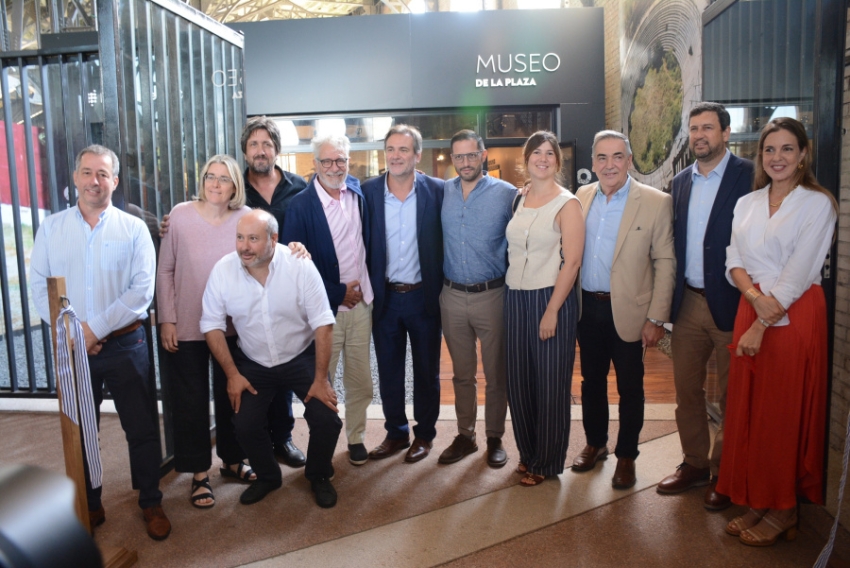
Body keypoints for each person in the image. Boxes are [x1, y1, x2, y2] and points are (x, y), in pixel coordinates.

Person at [29, 144, 171, 540]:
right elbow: (40, 287)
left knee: (141, 428)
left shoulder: (133, 228)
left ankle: (151, 501)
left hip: (127, 345)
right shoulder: (52, 229)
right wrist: (76, 334)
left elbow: (142, 291)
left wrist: (93, 331)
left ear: (115, 181)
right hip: (73, 348)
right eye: (88, 172)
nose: (95, 181)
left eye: (103, 174)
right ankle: (89, 505)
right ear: (75, 178)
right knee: (79, 429)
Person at [718, 117, 837, 546]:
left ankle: (784, 508)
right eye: (770, 150)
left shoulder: (817, 204)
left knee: (781, 415)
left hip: (794, 315)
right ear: (760, 156)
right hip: (752, 307)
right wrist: (753, 298)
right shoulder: (748, 203)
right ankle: (760, 498)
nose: (778, 157)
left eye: (788, 149)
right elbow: (732, 257)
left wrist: (766, 319)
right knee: (750, 411)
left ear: (803, 154)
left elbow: (801, 270)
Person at [200, 209, 342, 507]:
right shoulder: (223, 271)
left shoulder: (299, 266)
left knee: (326, 418)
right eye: (240, 237)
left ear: (273, 239)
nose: (244, 246)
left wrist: (319, 380)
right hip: (254, 361)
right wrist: (232, 375)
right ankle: (267, 476)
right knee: (245, 423)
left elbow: (323, 322)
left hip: (300, 355)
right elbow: (211, 325)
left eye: (253, 238)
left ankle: (318, 475)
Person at [657, 102, 754, 510]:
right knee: (687, 393)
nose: (700, 135)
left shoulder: (751, 176)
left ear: (726, 133)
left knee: (734, 397)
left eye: (708, 128)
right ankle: (695, 463)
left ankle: (724, 472)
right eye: (694, 128)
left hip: (735, 304)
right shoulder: (680, 182)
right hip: (689, 305)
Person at [572, 130, 675, 489]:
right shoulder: (581, 197)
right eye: (602, 157)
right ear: (593, 163)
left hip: (631, 313)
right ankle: (595, 443)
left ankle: (627, 455)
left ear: (629, 161)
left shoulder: (656, 201)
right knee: (591, 384)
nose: (609, 164)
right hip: (589, 310)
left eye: (617, 157)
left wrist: (656, 318)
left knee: (631, 388)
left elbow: (665, 261)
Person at [157, 155, 257, 509]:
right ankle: (199, 472)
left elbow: (261, 257)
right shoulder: (180, 215)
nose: (215, 184)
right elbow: (165, 269)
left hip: (232, 327)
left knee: (234, 396)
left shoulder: (243, 219)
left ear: (234, 186)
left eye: (223, 178)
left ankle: (232, 460)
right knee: (191, 401)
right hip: (185, 325)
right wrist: (166, 318)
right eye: (209, 177)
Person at [282, 134, 374, 466]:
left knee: (361, 379)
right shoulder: (300, 205)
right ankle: (322, 451)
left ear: (350, 161)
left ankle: (357, 437)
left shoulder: (359, 193)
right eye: (327, 161)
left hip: (362, 305)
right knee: (322, 382)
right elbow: (296, 266)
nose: (335, 167)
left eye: (341, 160)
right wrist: (338, 293)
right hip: (324, 313)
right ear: (315, 164)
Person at [504, 131, 583, 486]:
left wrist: (551, 311)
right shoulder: (518, 199)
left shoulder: (567, 203)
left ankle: (547, 462)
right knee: (519, 383)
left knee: (550, 387)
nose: (543, 158)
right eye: (536, 152)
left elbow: (572, 262)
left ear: (557, 161)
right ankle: (528, 453)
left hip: (550, 299)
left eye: (549, 153)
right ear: (526, 159)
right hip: (515, 298)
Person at [363, 125, 444, 463]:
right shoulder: (366, 193)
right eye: (391, 150)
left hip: (424, 298)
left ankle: (424, 434)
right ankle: (396, 432)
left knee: (427, 372)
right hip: (385, 298)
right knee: (389, 371)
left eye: (403, 150)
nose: (396, 156)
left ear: (417, 155)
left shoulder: (437, 191)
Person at [437, 129, 518, 469]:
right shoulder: (443, 192)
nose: (465, 162)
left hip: (493, 295)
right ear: (452, 158)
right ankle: (466, 435)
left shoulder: (508, 194)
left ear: (483, 155)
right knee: (462, 374)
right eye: (459, 156)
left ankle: (495, 437)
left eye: (472, 155)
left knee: (497, 374)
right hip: (452, 295)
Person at [241, 116, 308, 468]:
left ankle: (282, 438)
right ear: (245, 151)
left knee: (285, 360)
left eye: (267, 144)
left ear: (277, 150)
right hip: (247, 289)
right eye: (254, 144)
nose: (261, 150)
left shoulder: (299, 188)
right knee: (254, 365)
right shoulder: (236, 189)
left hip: (288, 291)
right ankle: (255, 443)